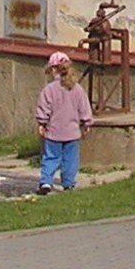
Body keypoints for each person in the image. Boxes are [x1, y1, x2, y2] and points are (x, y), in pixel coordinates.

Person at [34, 50, 94, 194]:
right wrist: (86, 122)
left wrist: (42, 123)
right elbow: (84, 107)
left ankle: (46, 182)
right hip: (72, 132)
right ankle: (68, 183)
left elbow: (44, 108)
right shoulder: (77, 89)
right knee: (70, 160)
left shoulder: (49, 90)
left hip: (54, 132)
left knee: (50, 157)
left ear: (53, 70)